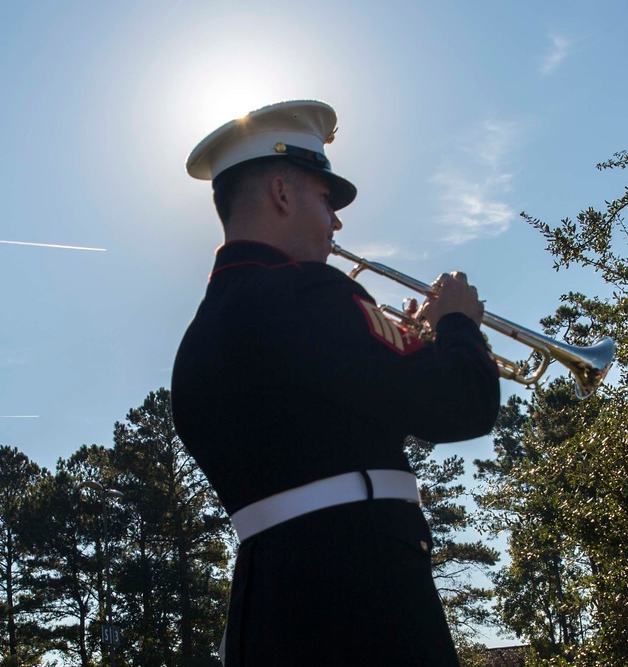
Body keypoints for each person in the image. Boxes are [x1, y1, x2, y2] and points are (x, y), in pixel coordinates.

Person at [171, 100, 501, 666]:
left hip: (264, 606)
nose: (337, 223)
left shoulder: (198, 339)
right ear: (281, 193)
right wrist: (456, 325)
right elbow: (463, 404)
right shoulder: (314, 293)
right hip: (369, 595)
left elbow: (328, 412)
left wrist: (402, 341)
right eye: (327, 199)